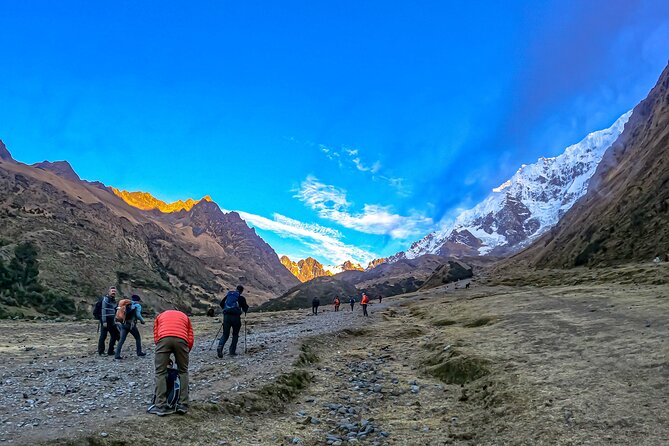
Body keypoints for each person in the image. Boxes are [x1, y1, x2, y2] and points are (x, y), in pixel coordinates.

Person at [149, 309, 194, 416]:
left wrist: (165, 355)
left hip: (163, 339)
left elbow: (156, 335)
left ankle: (160, 405)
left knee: (160, 372)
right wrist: (186, 352)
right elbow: (190, 336)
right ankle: (183, 404)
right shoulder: (185, 316)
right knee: (183, 371)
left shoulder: (159, 316)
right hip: (182, 340)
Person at [217, 285, 249, 358]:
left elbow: (221, 303)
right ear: (241, 291)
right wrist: (244, 311)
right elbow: (245, 308)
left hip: (226, 317)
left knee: (225, 334)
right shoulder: (240, 298)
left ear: (236, 289)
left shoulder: (229, 295)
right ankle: (232, 351)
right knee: (235, 334)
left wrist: (225, 310)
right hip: (235, 317)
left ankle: (220, 346)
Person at [114, 294, 147, 359]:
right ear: (138, 300)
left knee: (121, 340)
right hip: (131, 325)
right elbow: (138, 315)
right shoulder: (137, 305)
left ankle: (117, 355)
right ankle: (139, 352)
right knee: (137, 338)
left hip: (123, 324)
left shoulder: (126, 305)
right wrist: (142, 321)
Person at [97, 286, 120, 356]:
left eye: (114, 291)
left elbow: (113, 309)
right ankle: (101, 352)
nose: (113, 292)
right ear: (109, 292)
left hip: (111, 320)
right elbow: (103, 310)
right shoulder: (105, 299)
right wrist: (104, 321)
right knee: (103, 336)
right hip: (106, 320)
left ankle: (110, 351)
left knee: (114, 335)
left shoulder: (113, 300)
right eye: (112, 291)